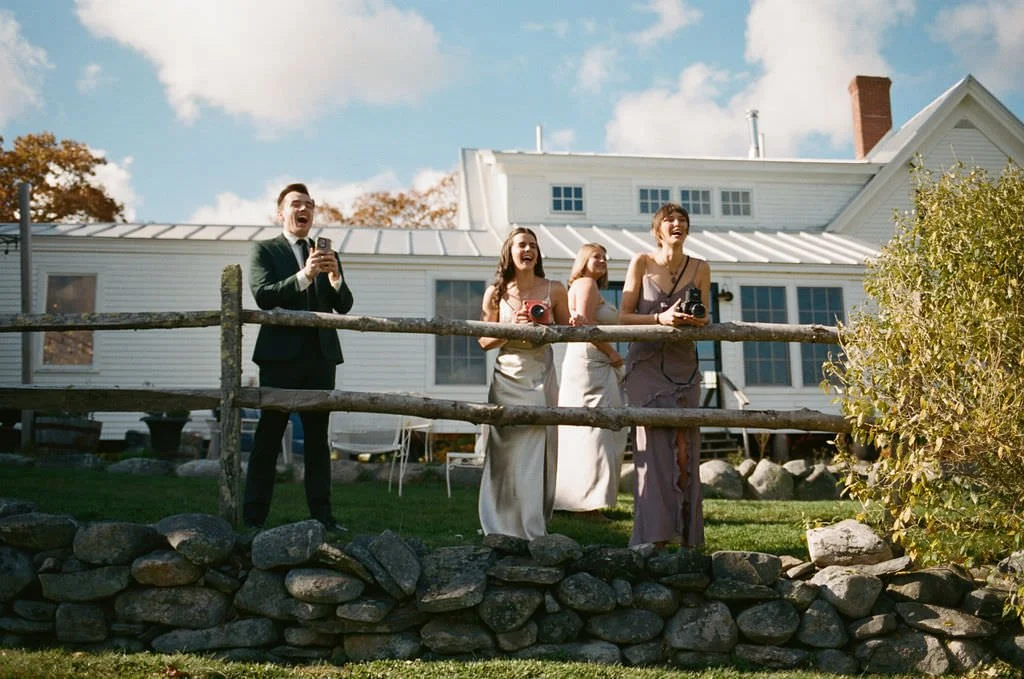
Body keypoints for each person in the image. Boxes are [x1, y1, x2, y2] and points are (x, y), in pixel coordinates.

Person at [243, 183, 354, 532]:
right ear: (281, 213)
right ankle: (253, 517)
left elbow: (345, 305)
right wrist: (305, 276)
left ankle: (323, 518)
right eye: (296, 204)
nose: (303, 209)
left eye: (309, 204)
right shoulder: (265, 250)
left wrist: (334, 277)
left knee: (318, 443)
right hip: (280, 358)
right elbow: (263, 296)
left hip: (321, 357)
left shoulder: (324, 253)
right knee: (268, 438)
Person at [619, 203, 710, 548]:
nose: (677, 224)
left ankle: (686, 538)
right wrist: (660, 319)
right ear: (657, 230)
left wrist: (692, 320)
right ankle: (652, 538)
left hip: (683, 365)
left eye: (682, 220)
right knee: (653, 453)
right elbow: (623, 317)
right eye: (670, 220)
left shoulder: (700, 267)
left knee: (685, 454)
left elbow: (705, 316)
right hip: (645, 367)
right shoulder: (641, 262)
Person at [477, 227, 569, 540]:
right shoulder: (496, 292)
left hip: (541, 377)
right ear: (509, 253)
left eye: (532, 245)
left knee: (535, 450)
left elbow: (568, 329)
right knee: (505, 452)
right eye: (521, 245)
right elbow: (485, 341)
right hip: (507, 378)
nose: (527, 249)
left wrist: (550, 325)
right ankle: (499, 524)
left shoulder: (555, 289)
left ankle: (532, 524)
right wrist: (511, 328)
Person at [554, 243, 628, 521]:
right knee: (598, 431)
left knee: (586, 431)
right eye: (597, 256)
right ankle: (587, 506)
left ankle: (572, 500)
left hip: (584, 360)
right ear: (583, 260)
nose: (603, 260)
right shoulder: (586, 284)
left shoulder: (583, 286)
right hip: (592, 361)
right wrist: (613, 355)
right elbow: (583, 326)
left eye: (605, 257)